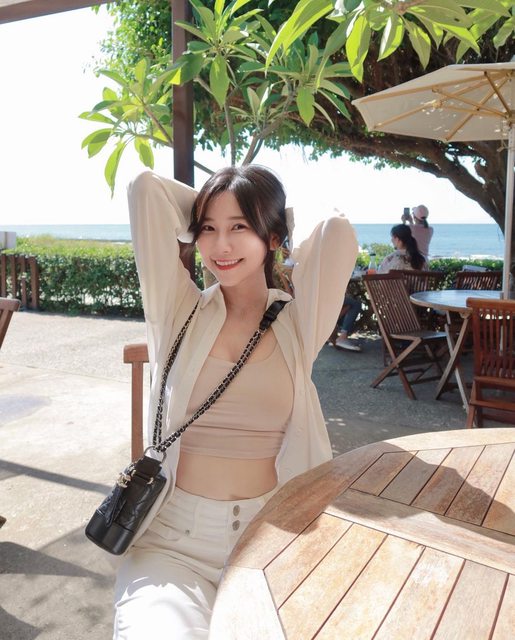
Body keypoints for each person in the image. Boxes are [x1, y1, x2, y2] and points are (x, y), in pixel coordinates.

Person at [113, 166, 358, 639]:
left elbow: (336, 232)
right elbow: (146, 190)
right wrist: (217, 199)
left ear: (272, 236)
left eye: (239, 227)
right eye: (208, 229)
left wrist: (276, 214)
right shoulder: (176, 309)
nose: (220, 246)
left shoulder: (297, 321)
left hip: (269, 539)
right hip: (173, 544)